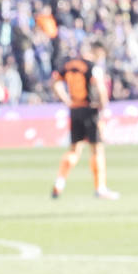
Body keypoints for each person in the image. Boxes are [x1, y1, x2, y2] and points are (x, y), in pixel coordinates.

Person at [49, 41, 120, 200]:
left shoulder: (68, 65)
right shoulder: (92, 66)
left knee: (74, 150)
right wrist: (103, 106)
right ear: (97, 51)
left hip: (74, 109)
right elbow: (100, 88)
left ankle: (60, 181)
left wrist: (66, 100)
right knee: (96, 149)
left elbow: (55, 83)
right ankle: (100, 188)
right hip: (90, 108)